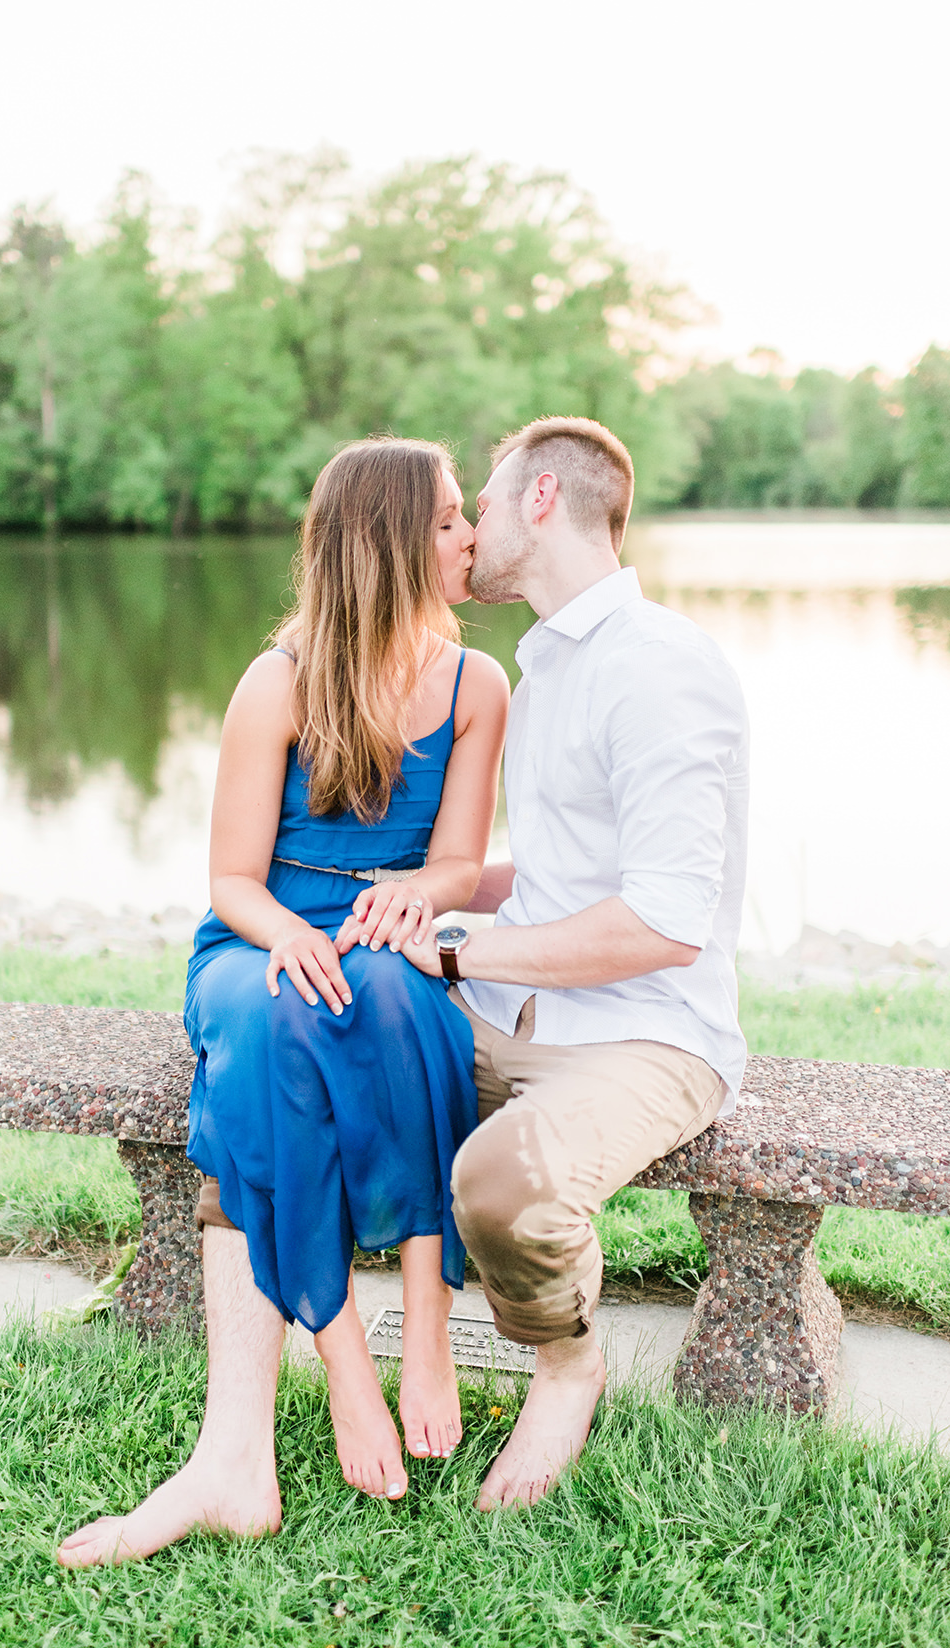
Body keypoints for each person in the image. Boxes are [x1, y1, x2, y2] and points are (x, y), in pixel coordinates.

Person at [58, 439, 509, 1565]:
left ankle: (431, 1336)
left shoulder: (476, 684)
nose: (471, 538)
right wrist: (293, 934)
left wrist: (411, 899)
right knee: (271, 1027)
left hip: (391, 931)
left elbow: (459, 863)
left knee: (406, 1011)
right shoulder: (281, 678)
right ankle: (343, 1361)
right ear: (395, 541)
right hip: (264, 934)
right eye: (453, 521)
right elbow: (229, 880)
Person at [383, 415, 749, 1511]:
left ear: (539, 500)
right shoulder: (545, 665)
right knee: (323, 1030)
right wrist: (431, 893)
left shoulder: (659, 669)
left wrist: (461, 955)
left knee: (500, 1187)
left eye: (481, 504)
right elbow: (561, 869)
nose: (471, 528)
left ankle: (566, 1361)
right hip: (517, 1009)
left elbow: (663, 923)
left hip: (644, 1032)